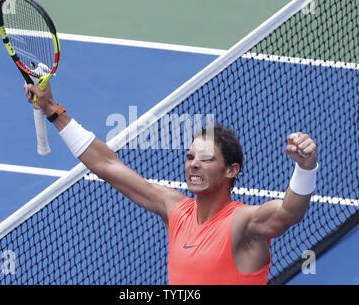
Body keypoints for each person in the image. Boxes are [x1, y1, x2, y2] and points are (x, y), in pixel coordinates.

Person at [24, 82, 318, 285]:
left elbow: (287, 213)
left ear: (231, 170)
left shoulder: (245, 222)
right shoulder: (175, 209)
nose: (194, 164)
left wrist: (305, 167)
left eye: (206, 159)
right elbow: (108, 166)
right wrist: (53, 111)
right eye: (190, 157)